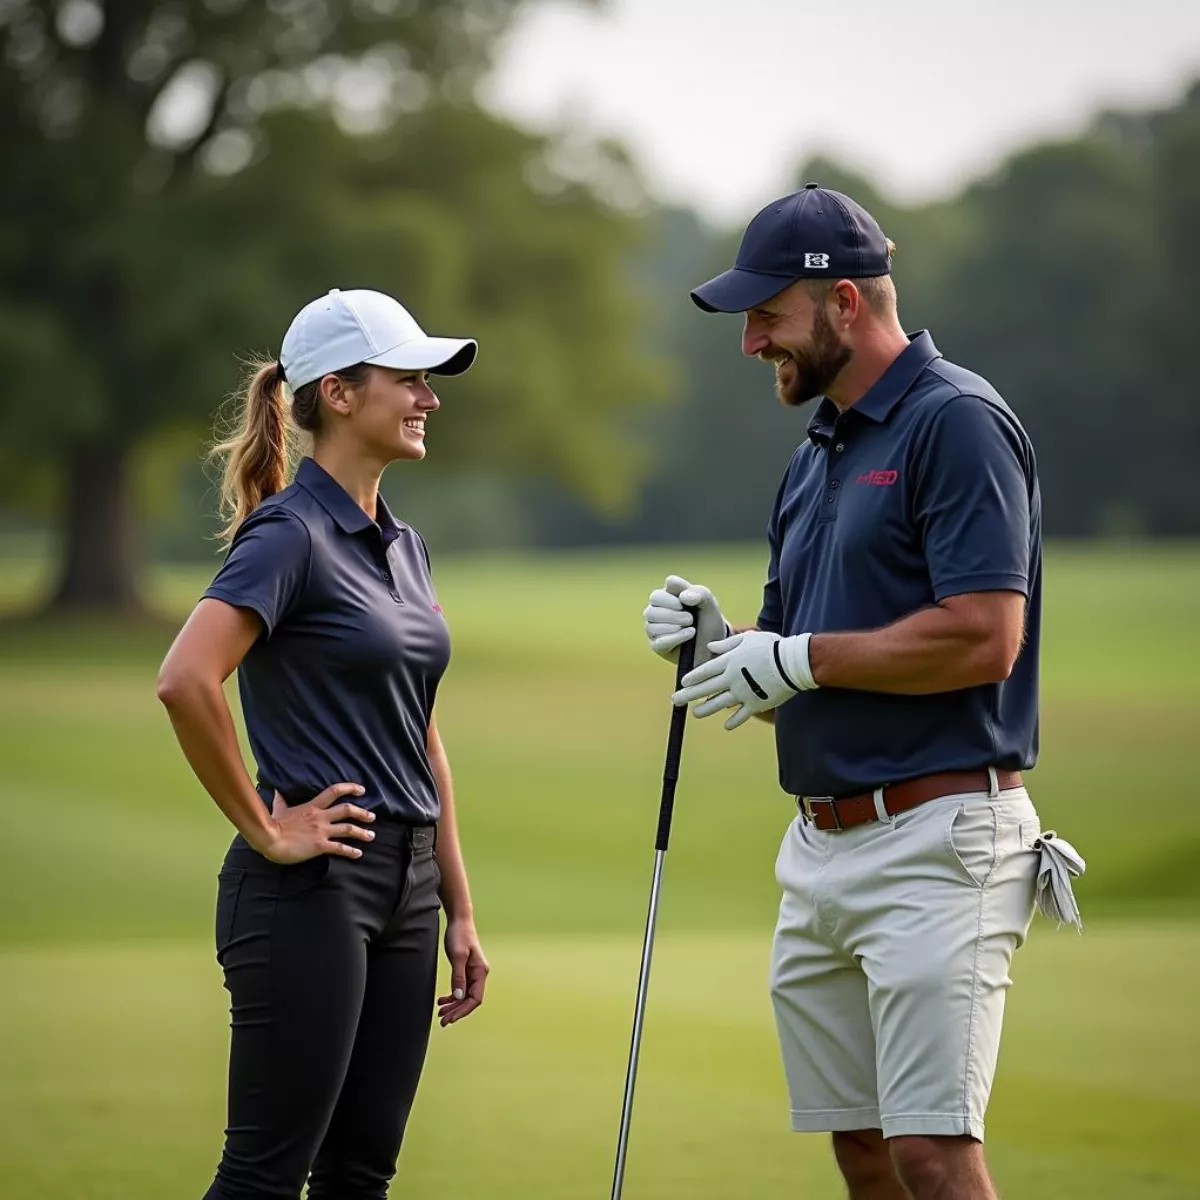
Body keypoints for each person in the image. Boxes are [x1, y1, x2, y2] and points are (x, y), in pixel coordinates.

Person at [642, 185, 1083, 1200]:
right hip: (822, 851)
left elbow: (985, 636)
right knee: (865, 1148)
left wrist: (799, 661)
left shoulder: (956, 423)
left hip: (941, 839)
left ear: (843, 303)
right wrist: (723, 645)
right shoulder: (819, 452)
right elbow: (798, 646)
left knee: (933, 1152)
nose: (752, 343)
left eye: (768, 316)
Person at [157, 287, 490, 1200]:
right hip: (311, 892)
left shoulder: (404, 546)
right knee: (267, 1175)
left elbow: (421, 732)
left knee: (359, 1176)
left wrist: (456, 906)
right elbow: (186, 680)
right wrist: (268, 831)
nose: (429, 399)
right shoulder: (289, 532)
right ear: (338, 394)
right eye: (408, 380)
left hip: (408, 890)